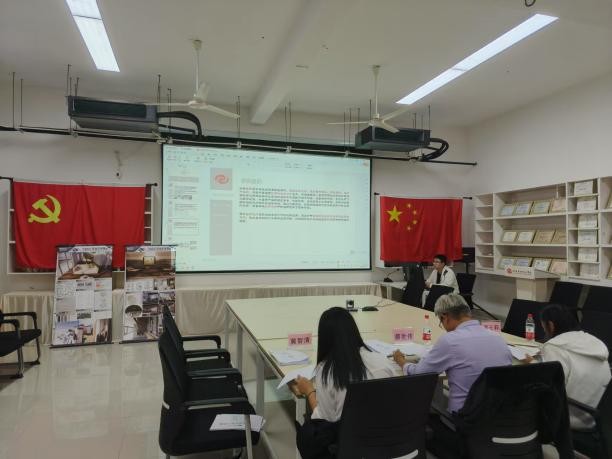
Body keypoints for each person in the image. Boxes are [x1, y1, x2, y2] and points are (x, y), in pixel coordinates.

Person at [293, 307, 399, 458]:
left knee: (308, 433)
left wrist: (309, 391)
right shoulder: (383, 362)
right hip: (390, 444)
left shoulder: (327, 371)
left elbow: (325, 421)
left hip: (351, 450)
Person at [393, 293, 512, 413]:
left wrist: (402, 361)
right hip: (498, 415)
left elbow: (419, 374)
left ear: (445, 317)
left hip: (463, 418)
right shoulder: (498, 338)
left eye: (441, 322)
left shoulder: (450, 341)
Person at [525, 303, 611, 429]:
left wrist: (532, 363)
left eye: (543, 327)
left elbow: (548, 386)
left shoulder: (555, 347)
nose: (544, 331)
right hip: (596, 416)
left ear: (551, 325)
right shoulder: (594, 342)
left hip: (568, 417)